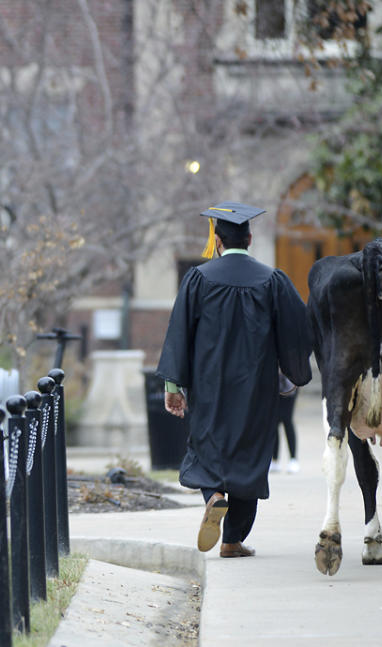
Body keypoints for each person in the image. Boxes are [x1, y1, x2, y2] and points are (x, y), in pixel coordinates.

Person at [156, 202, 311, 557]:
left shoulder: (198, 278)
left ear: (218, 240)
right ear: (250, 238)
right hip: (255, 388)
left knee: (205, 448)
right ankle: (232, 540)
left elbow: (179, 331)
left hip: (207, 386)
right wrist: (292, 372)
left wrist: (172, 386)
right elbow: (298, 328)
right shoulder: (273, 280)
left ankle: (213, 497)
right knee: (249, 456)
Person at [271, 371, 300, 473]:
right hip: (274, 385)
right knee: (274, 423)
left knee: (287, 420)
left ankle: (293, 459)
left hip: (289, 384)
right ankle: (274, 459)